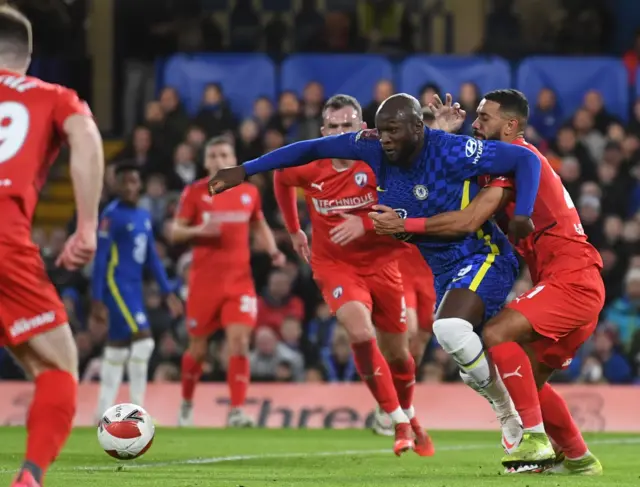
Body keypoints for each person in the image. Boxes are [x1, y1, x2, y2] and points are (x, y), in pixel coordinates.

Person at [208, 93, 542, 454]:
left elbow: (525, 158)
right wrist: (245, 170)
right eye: (381, 131)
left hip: (481, 255)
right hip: (438, 269)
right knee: (462, 349)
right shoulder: (371, 149)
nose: (384, 139)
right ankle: (505, 411)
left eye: (393, 131)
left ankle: (512, 418)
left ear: (416, 129)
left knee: (448, 333)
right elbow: (306, 151)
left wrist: (522, 213)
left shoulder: (454, 150)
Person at [407, 89, 604, 474]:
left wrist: (404, 226)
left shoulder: (517, 160)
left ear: (511, 126)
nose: (476, 124)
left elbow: (467, 220)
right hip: (572, 281)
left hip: (572, 279)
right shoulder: (505, 163)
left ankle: (532, 438)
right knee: (526, 381)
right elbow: (441, 172)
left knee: (495, 335)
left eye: (484, 118)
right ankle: (580, 460)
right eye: (476, 117)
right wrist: (442, 132)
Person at [272, 94, 433, 456]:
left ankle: (405, 411)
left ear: (365, 129)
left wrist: (363, 223)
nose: (341, 132)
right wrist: (295, 229)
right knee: (359, 332)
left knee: (401, 357)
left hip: (384, 264)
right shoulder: (309, 163)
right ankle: (399, 421)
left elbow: (411, 205)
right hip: (335, 266)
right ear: (323, 130)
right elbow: (281, 178)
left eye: (348, 125)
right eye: (334, 127)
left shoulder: (382, 164)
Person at [0, 6, 104, 487]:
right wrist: (86, 226)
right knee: (57, 366)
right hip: (5, 241)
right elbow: (85, 136)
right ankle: (30, 477)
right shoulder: (53, 96)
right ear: (28, 56)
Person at [171, 136, 286, 427]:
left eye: (224, 154)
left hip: (239, 283)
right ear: (206, 161)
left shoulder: (249, 192)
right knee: (198, 349)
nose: (219, 160)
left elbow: (259, 223)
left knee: (239, 343)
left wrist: (272, 250)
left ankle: (236, 411)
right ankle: (185, 404)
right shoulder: (195, 192)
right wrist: (200, 229)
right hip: (203, 284)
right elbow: (175, 233)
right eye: (213, 155)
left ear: (232, 158)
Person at [91, 162, 184, 420]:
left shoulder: (142, 216)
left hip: (134, 287)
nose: (131, 187)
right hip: (115, 284)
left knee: (118, 348)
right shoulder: (111, 216)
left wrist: (167, 292)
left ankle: (101, 409)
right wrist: (97, 298)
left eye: (134, 181)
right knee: (144, 342)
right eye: (125, 182)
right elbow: (101, 259)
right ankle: (137, 409)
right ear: (117, 186)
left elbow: (152, 257)